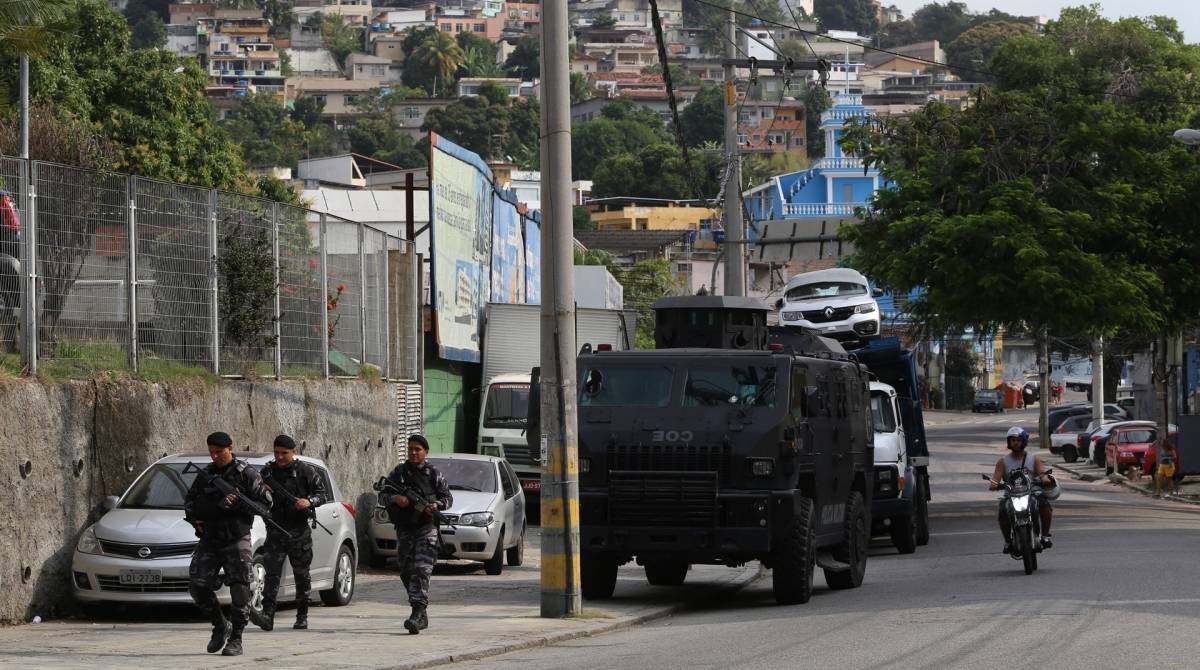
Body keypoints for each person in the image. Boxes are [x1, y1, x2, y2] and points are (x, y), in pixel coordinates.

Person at [184, 432, 273, 657]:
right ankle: (221, 626)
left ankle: (236, 639)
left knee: (240, 589)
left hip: (236, 538)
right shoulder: (206, 474)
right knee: (197, 585)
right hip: (211, 538)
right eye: (211, 452)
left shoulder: (247, 474)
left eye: (219, 452)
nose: (214, 456)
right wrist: (199, 519)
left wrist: (239, 505)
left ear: (230, 448)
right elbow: (190, 503)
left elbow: (265, 506)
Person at [253, 434, 328, 632]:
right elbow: (257, 496)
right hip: (276, 530)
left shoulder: (305, 471)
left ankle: (302, 616)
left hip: (298, 532)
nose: (279, 457)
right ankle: (267, 615)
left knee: (302, 576)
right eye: (276, 453)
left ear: (293, 452)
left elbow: (323, 495)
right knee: (271, 576)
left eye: (284, 453)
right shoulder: (267, 471)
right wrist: (264, 491)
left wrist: (309, 501)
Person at [381, 435, 452, 634]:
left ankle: (418, 613)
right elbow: (383, 494)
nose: (413, 452)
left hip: (426, 528)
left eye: (418, 449)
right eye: (411, 449)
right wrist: (397, 498)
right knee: (405, 570)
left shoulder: (433, 474)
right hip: (405, 528)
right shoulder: (399, 473)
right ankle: (419, 610)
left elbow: (447, 498)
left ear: (425, 452)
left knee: (422, 569)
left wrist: (435, 505)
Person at [989, 426, 1055, 552]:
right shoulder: (1003, 461)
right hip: (1011, 495)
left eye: (1018, 440)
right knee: (1003, 510)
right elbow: (996, 478)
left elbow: (1041, 473)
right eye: (1013, 440)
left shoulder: (1033, 458)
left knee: (1045, 506)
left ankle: (1045, 536)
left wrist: (1044, 479)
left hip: (1031, 492)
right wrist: (994, 484)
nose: (1015, 442)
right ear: (1009, 442)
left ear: (1024, 441)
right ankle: (1008, 541)